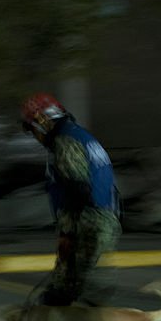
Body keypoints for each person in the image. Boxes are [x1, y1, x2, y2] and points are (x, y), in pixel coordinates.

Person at [20, 93, 121, 307]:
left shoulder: (64, 141)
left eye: (32, 129)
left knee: (66, 293)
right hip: (104, 220)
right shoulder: (83, 137)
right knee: (89, 290)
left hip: (88, 224)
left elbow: (78, 189)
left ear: (42, 122)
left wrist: (68, 234)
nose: (34, 136)